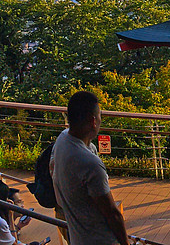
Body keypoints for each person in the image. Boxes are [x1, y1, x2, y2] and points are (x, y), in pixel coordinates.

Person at [50, 90, 129, 245]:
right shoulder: (90, 164)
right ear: (93, 120)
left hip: (77, 238)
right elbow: (113, 214)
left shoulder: (62, 140)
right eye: (100, 116)